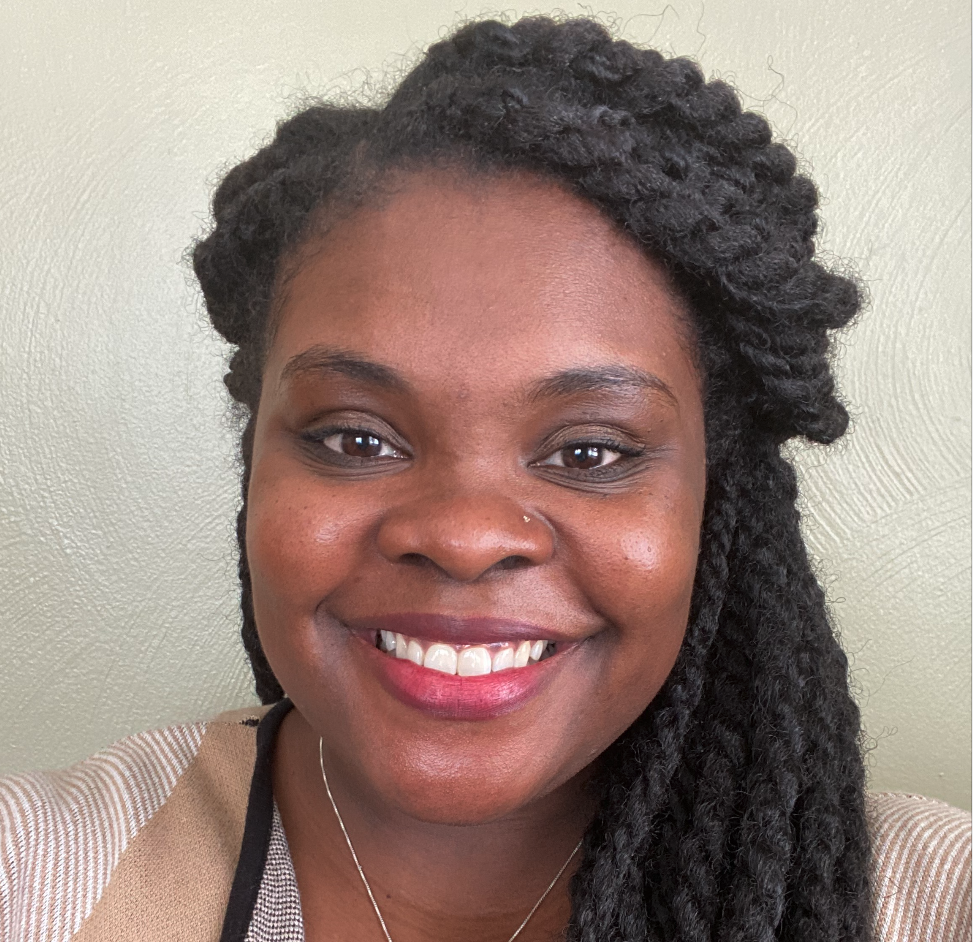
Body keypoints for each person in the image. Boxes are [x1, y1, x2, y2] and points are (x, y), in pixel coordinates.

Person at [1, 14, 969, 942]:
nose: (464, 537)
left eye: (588, 452)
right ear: (255, 463)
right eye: (356, 438)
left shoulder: (933, 903)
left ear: (714, 497)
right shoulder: (32, 877)